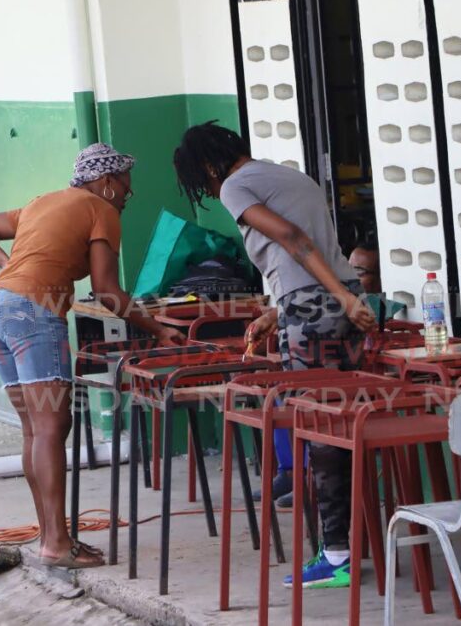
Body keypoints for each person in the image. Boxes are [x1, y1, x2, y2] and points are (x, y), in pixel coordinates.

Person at [173, 122, 375, 589]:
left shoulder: (234, 186)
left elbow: (293, 240)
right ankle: (350, 542)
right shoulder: (288, 176)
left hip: (322, 304)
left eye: (202, 181)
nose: (209, 190)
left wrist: (331, 303)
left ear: (208, 166)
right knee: (342, 424)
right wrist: (278, 313)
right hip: (333, 297)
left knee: (319, 429)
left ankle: (338, 554)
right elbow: (307, 259)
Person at [0, 143, 185, 569]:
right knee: (51, 426)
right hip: (32, 310)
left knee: (34, 429)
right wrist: (159, 328)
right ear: (105, 183)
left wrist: (9, 264)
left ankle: (51, 536)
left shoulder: (41, 203)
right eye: (125, 189)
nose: (126, 198)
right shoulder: (100, 210)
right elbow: (106, 290)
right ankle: (57, 543)